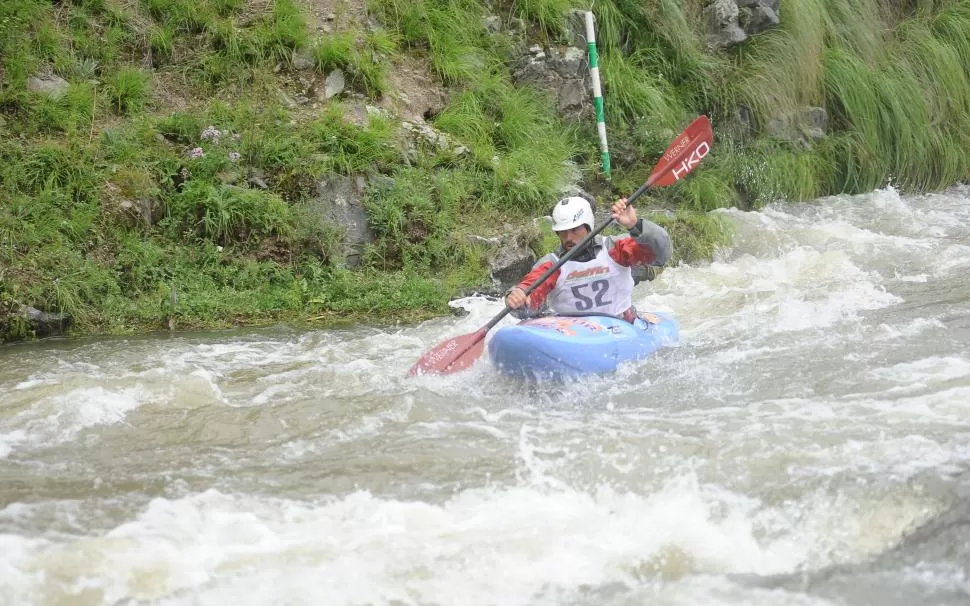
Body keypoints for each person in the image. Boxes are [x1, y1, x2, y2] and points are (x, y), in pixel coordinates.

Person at [504, 195, 672, 323]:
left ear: (589, 227)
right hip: (572, 331)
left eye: (575, 230)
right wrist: (519, 300)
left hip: (621, 323)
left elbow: (661, 254)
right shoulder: (552, 264)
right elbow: (530, 294)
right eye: (563, 232)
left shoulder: (615, 249)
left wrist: (635, 225)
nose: (568, 238)